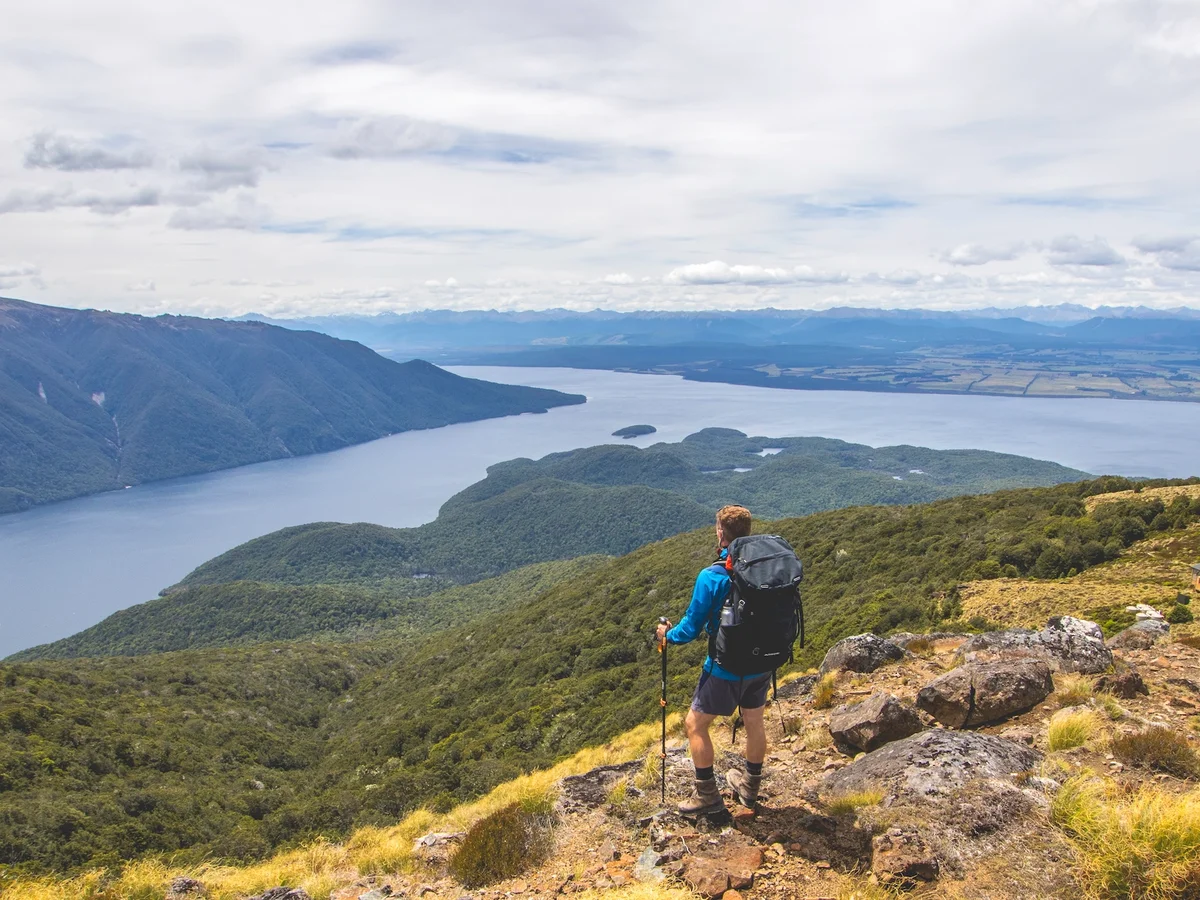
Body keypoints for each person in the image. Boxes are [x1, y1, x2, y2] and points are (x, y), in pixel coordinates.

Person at [655, 504, 770, 815]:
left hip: (726, 666)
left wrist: (667, 635)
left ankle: (707, 796)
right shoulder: (764, 569)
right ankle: (750, 788)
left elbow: (691, 628)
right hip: (763, 663)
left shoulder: (712, 576)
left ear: (721, 533)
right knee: (754, 722)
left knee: (694, 725)